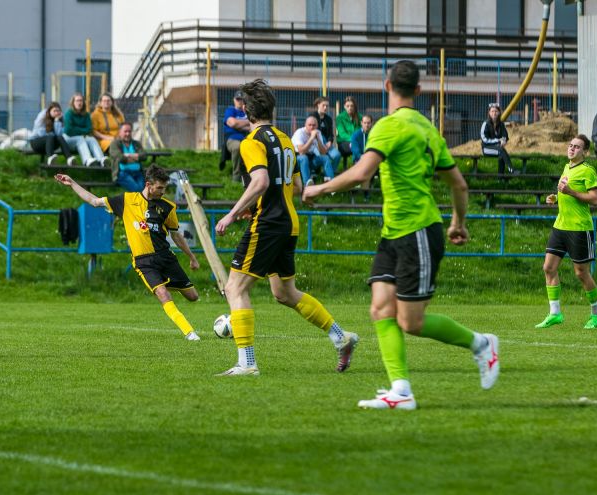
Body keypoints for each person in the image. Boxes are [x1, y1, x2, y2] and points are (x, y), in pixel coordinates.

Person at [303, 60, 499, 410]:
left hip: (418, 232)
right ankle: (401, 390)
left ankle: (482, 344)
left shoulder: (388, 127)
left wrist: (320, 189)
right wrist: (458, 221)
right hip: (395, 232)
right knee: (380, 308)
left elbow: (362, 172)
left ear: (386, 84)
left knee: (411, 321)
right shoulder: (427, 128)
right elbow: (458, 184)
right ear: (419, 91)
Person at [214, 78, 359, 377]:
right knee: (284, 292)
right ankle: (340, 337)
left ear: (247, 113)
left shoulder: (251, 142)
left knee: (234, 288)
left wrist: (232, 213)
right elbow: (293, 186)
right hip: (288, 222)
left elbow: (261, 181)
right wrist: (252, 206)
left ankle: (247, 363)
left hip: (267, 224)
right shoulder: (284, 140)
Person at [54, 165, 202, 340]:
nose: (163, 191)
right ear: (148, 184)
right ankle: (189, 333)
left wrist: (192, 257)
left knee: (193, 296)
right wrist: (72, 183)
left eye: (165, 188)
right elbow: (94, 201)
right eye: (160, 188)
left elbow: (176, 235)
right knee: (163, 294)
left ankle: (164, 283)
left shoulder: (168, 207)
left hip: (166, 258)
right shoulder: (126, 200)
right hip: (144, 261)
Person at [536, 134, 597, 330]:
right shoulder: (567, 167)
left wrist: (571, 192)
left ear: (585, 152)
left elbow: (595, 199)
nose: (572, 148)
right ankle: (555, 313)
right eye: (570, 145)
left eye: (577, 146)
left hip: (579, 229)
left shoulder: (588, 170)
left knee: (581, 273)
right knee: (548, 267)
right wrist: (556, 198)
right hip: (560, 226)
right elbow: (566, 192)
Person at [62, 92, 108, 167]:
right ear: (73, 103)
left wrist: (76, 129)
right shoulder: (69, 114)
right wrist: (82, 131)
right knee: (80, 139)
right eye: (77, 101)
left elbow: (89, 129)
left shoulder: (86, 115)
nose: (79, 103)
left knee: (91, 139)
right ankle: (87, 160)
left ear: (83, 102)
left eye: (81, 101)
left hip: (81, 139)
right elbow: (68, 130)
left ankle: (101, 160)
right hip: (67, 140)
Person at [291, 115, 335, 187]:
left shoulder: (318, 133)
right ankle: (307, 184)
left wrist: (318, 139)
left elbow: (323, 153)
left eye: (314, 125)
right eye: (309, 125)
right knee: (304, 158)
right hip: (297, 160)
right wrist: (311, 138)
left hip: (310, 158)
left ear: (317, 126)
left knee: (325, 158)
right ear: (305, 125)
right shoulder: (299, 133)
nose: (312, 127)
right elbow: (301, 152)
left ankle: (331, 184)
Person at [30, 102, 73, 166]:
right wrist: (53, 134)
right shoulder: (42, 117)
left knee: (60, 137)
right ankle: (50, 158)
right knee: (50, 136)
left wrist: (56, 121)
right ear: (49, 111)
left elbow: (59, 134)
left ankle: (69, 158)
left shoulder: (59, 119)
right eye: (54, 111)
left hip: (50, 144)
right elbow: (41, 133)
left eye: (58, 111)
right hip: (36, 142)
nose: (56, 113)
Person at [109, 122, 146, 192]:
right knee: (137, 190)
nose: (128, 134)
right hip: (123, 173)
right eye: (125, 131)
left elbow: (144, 156)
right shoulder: (115, 144)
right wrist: (136, 157)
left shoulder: (136, 144)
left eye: (129, 131)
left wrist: (128, 155)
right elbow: (120, 158)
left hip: (138, 172)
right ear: (120, 132)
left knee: (145, 191)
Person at [223, 90, 251, 183]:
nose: (239, 101)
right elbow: (232, 123)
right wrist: (247, 123)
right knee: (237, 147)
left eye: (241, 99)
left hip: (247, 139)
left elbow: (253, 126)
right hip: (232, 139)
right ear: (234, 100)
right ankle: (236, 177)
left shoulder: (248, 112)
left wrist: (238, 125)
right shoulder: (230, 110)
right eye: (237, 99)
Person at [480, 103, 516, 175]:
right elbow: (484, 139)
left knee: (501, 155)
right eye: (492, 111)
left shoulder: (501, 124)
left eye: (496, 111)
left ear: (499, 112)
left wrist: (503, 140)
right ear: (489, 113)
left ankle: (500, 178)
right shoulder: (485, 124)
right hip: (487, 149)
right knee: (501, 151)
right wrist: (498, 140)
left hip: (498, 148)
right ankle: (512, 170)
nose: (494, 113)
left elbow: (505, 136)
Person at [310, 96, 342, 172]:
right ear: (318, 105)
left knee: (337, 155)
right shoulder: (312, 116)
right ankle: (317, 172)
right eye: (323, 105)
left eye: (327, 106)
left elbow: (331, 134)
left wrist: (330, 142)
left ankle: (329, 174)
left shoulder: (328, 119)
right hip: (315, 144)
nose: (325, 108)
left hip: (326, 144)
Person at [335, 96, 361, 166]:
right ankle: (356, 167)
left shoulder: (359, 117)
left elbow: (361, 130)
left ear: (354, 107)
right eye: (348, 106)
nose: (350, 108)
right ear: (344, 106)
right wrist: (354, 139)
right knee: (356, 147)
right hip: (343, 142)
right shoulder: (339, 118)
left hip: (356, 141)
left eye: (352, 106)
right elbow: (342, 134)